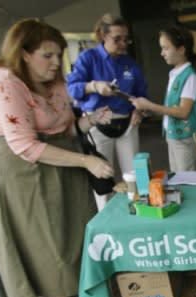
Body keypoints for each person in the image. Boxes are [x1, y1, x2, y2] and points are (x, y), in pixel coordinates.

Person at [0, 18, 114, 297]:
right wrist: (86, 161)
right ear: (24, 53)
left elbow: (63, 128)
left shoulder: (54, 81)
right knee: (42, 233)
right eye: (47, 55)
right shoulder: (8, 84)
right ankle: (57, 290)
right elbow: (25, 145)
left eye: (59, 55)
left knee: (72, 221)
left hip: (60, 158)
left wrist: (90, 120)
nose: (56, 62)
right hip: (21, 167)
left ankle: (77, 280)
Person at [67, 13, 147, 208]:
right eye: (117, 38)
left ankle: (137, 210)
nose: (123, 43)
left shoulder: (130, 63)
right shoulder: (89, 58)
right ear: (103, 35)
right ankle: (106, 219)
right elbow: (72, 88)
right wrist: (94, 86)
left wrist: (139, 111)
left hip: (127, 121)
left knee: (134, 174)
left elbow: (141, 92)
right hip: (98, 120)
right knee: (103, 176)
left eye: (126, 38)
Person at [130, 26, 196, 172]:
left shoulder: (190, 76)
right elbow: (171, 107)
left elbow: (183, 112)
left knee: (187, 182)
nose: (162, 53)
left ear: (181, 49)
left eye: (165, 48)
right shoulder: (175, 73)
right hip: (174, 137)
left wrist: (151, 106)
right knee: (179, 180)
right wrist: (150, 111)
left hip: (185, 138)